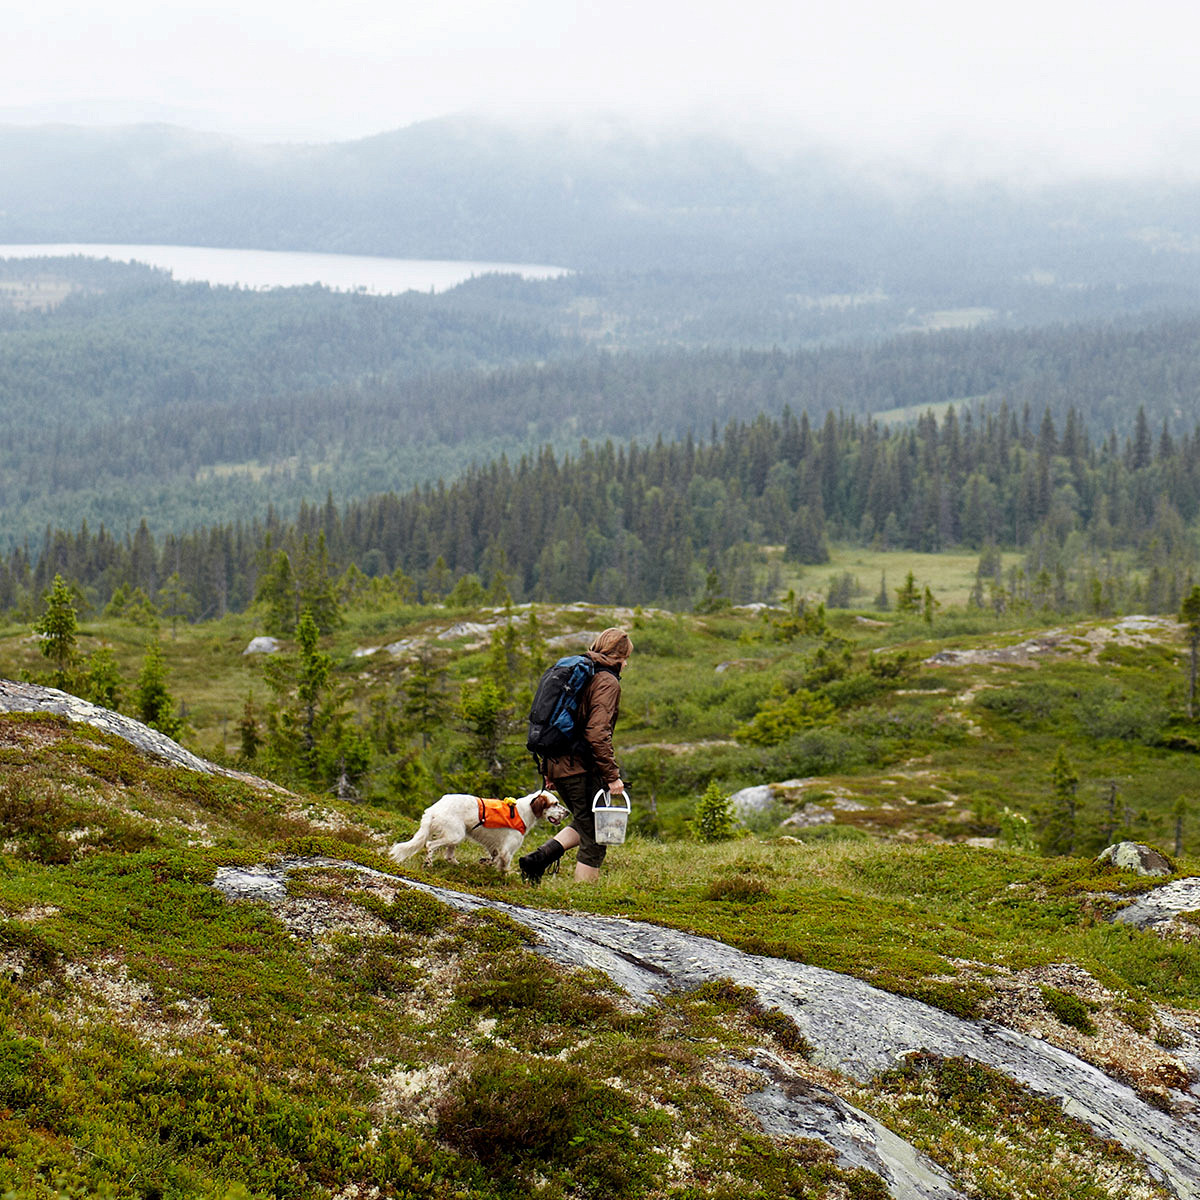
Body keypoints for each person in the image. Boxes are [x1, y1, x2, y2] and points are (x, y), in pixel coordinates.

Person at [519, 626, 632, 884]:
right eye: (626, 658)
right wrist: (612, 777)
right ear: (621, 657)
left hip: (559, 763)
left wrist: (549, 770)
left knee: (585, 821)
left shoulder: (579, 670)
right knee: (595, 835)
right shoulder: (607, 681)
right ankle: (583, 897)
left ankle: (537, 860)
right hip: (578, 767)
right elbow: (597, 733)